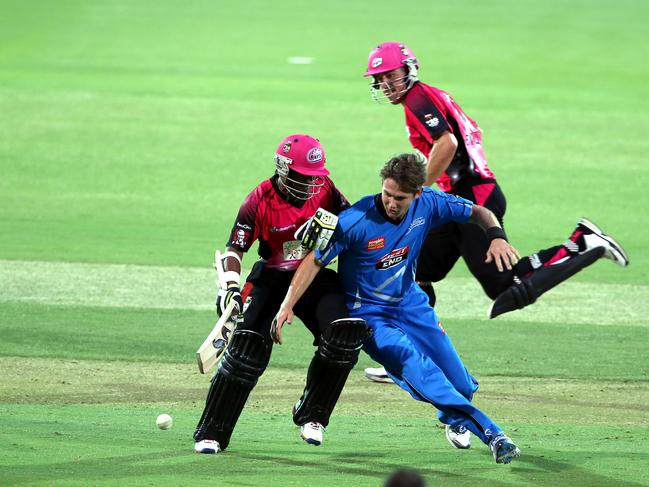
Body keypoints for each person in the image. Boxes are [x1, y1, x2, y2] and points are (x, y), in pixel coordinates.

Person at [362, 41, 629, 383]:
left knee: (504, 285)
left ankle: (584, 243)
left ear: (409, 69)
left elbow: (449, 143)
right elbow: (473, 130)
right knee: (414, 270)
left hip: (473, 198)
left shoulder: (417, 99)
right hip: (459, 196)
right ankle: (409, 355)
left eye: (390, 75)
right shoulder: (430, 95)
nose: (386, 84)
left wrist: (417, 189)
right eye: (380, 79)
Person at [272, 153, 525, 464]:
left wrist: (496, 237)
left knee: (460, 385)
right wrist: (287, 305)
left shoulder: (430, 202)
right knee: (422, 370)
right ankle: (494, 434)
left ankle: (455, 415)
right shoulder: (355, 220)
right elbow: (314, 261)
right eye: (387, 194)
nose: (391, 203)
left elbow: (479, 212)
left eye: (400, 198)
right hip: (370, 317)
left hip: (411, 304)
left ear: (417, 193)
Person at [193, 134, 370, 454]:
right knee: (247, 351)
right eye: (305, 177)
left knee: (345, 332)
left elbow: (353, 222)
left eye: (316, 176)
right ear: (285, 170)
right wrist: (230, 287)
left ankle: (312, 414)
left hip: (313, 273)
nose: (313, 184)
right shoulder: (259, 199)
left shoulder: (325, 189)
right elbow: (236, 247)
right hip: (271, 277)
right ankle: (213, 432)